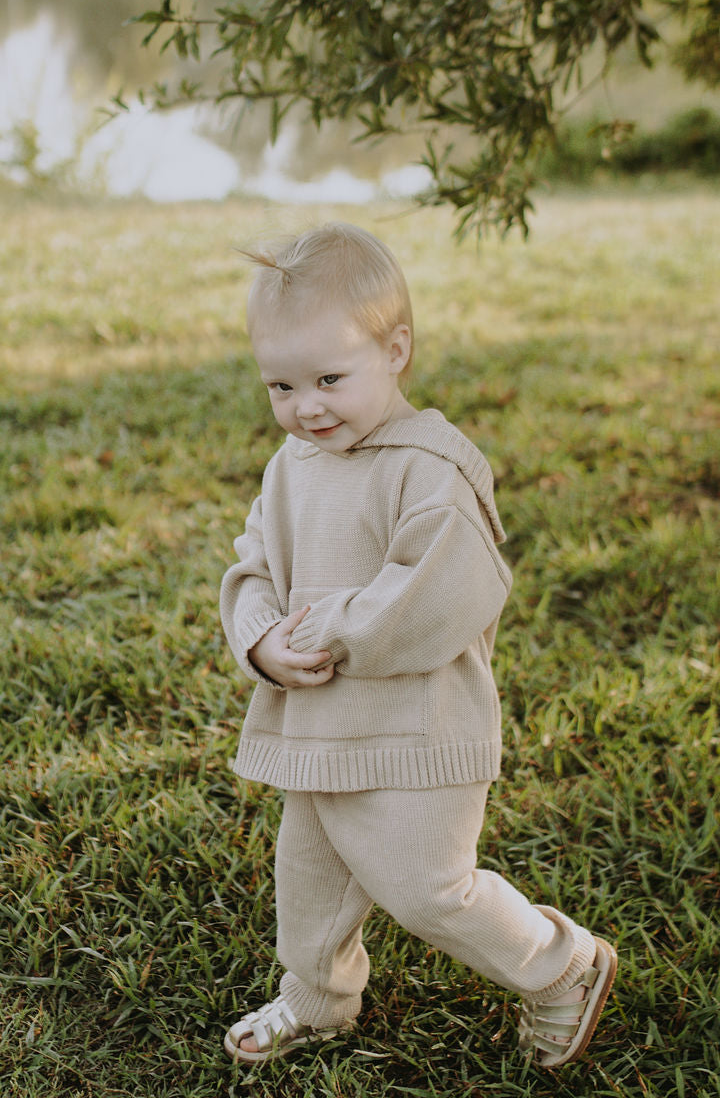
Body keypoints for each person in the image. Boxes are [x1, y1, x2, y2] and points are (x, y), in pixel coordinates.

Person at [219, 222, 616, 1069]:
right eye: (281, 385)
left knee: (428, 888)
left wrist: (327, 630)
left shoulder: (429, 469)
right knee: (310, 882)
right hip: (321, 731)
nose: (307, 406)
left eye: (330, 378)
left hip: (419, 728)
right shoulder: (291, 466)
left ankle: (562, 965)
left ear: (395, 349)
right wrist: (260, 643)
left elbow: (438, 593)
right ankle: (318, 998)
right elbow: (253, 568)